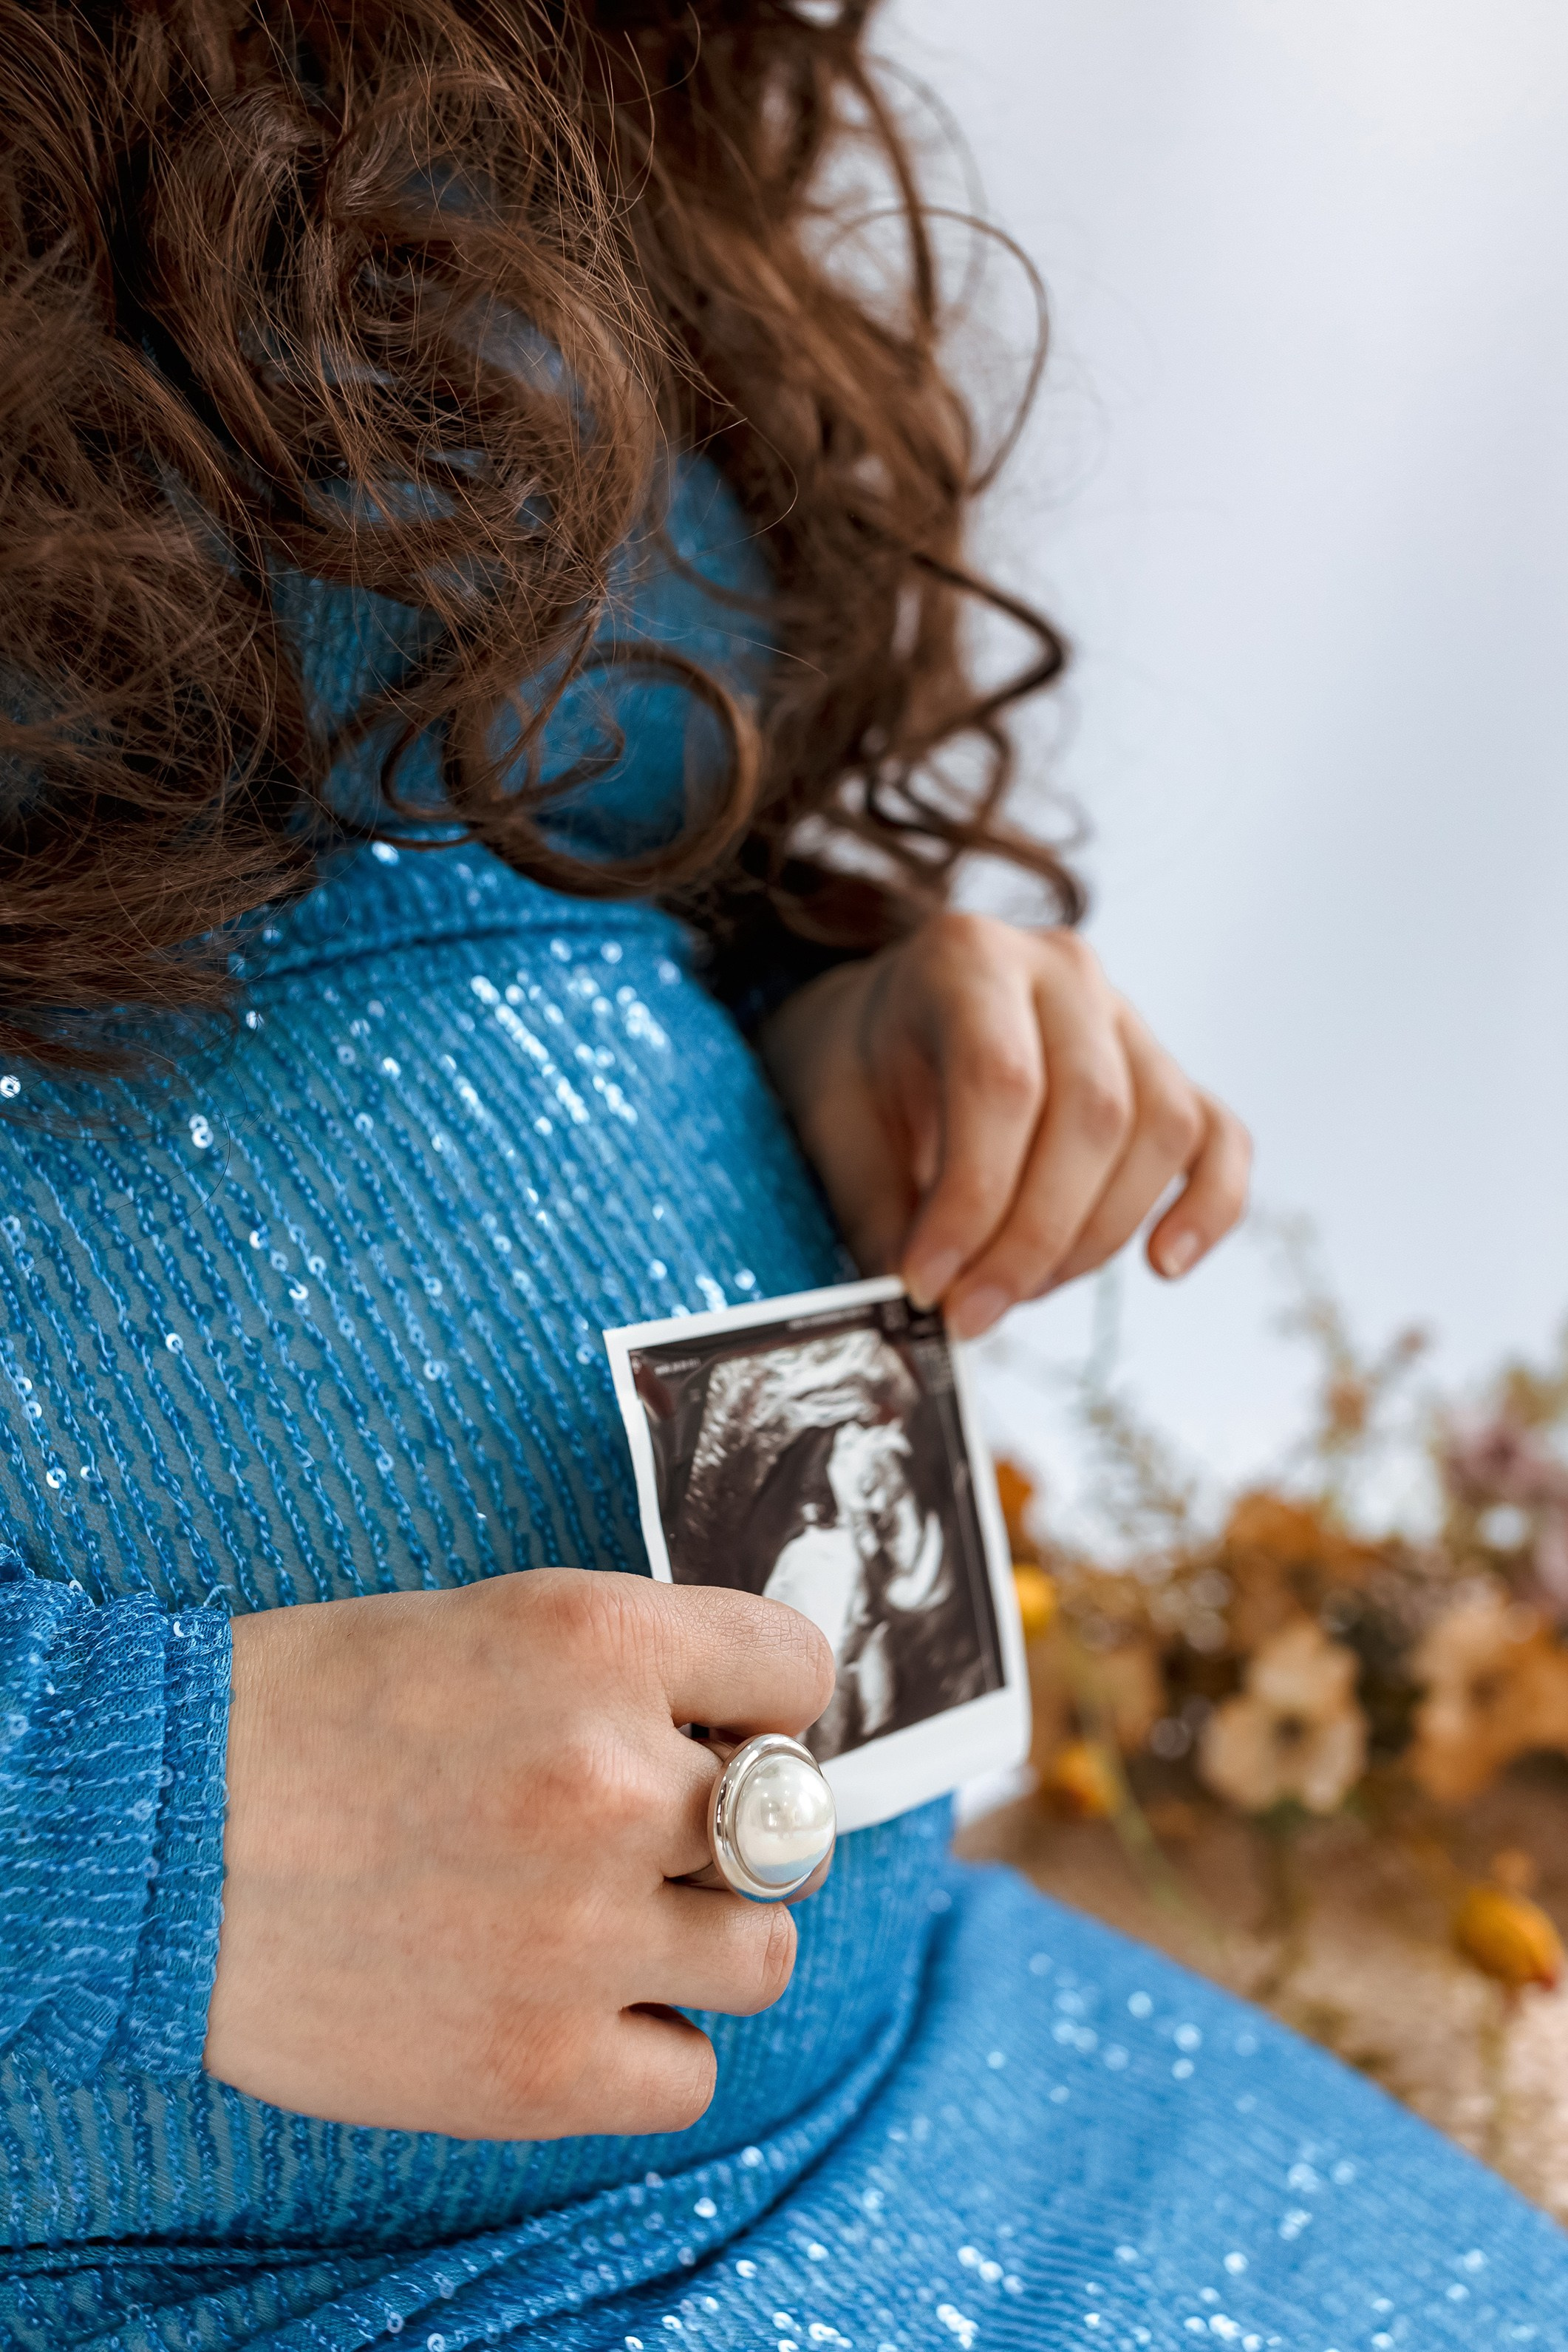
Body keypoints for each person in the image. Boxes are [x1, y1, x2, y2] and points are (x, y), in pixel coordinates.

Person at [1, 5, 1564, 2348]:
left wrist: (806, 1019)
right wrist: (132, 1842)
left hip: (948, 2075)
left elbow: (477, 870)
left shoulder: (469, 55)